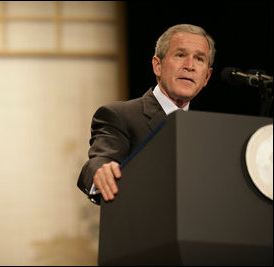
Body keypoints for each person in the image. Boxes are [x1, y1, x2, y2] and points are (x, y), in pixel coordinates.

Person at [77, 24, 215, 204]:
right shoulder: (120, 115)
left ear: (206, 77)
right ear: (157, 66)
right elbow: (100, 159)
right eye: (180, 55)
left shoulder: (209, 131)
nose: (190, 66)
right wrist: (100, 172)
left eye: (199, 59)